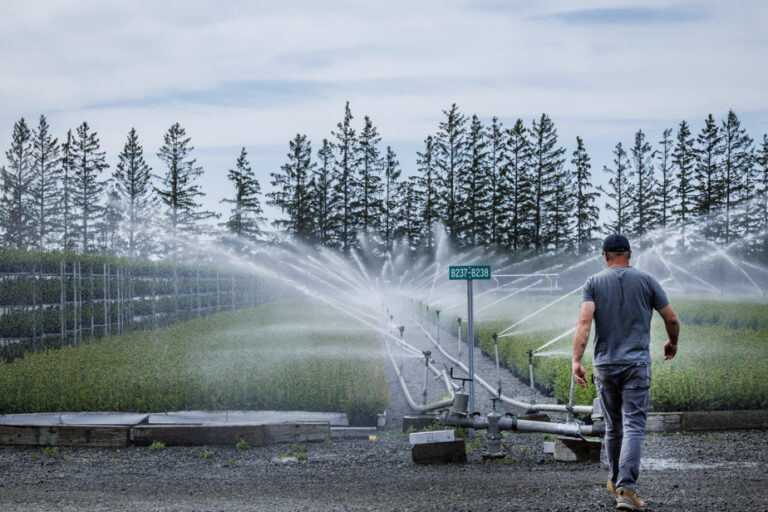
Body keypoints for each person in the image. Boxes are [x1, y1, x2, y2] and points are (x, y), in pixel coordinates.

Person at [571, 234, 680, 512]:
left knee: (613, 428)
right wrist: (672, 341)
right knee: (632, 426)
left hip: (605, 366)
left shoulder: (593, 283)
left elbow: (584, 322)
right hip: (636, 366)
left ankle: (616, 481)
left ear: (604, 256)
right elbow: (671, 318)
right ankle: (626, 490)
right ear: (629, 254)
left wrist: (576, 360)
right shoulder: (647, 281)